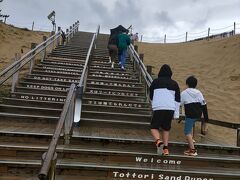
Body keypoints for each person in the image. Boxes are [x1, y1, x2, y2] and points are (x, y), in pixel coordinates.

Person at [150, 64, 180, 155]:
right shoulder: (174, 83)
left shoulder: (155, 82)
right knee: (166, 128)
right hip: (170, 108)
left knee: (154, 127)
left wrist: (154, 104)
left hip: (159, 107)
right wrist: (176, 114)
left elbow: (151, 95)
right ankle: (166, 149)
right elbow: (178, 100)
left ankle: (158, 141)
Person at [181, 76, 209, 156]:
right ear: (196, 84)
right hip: (198, 114)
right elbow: (204, 104)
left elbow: (179, 103)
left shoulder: (184, 93)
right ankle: (191, 139)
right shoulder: (199, 92)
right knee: (190, 126)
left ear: (187, 84)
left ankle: (192, 150)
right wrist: (206, 118)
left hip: (190, 114)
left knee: (187, 131)